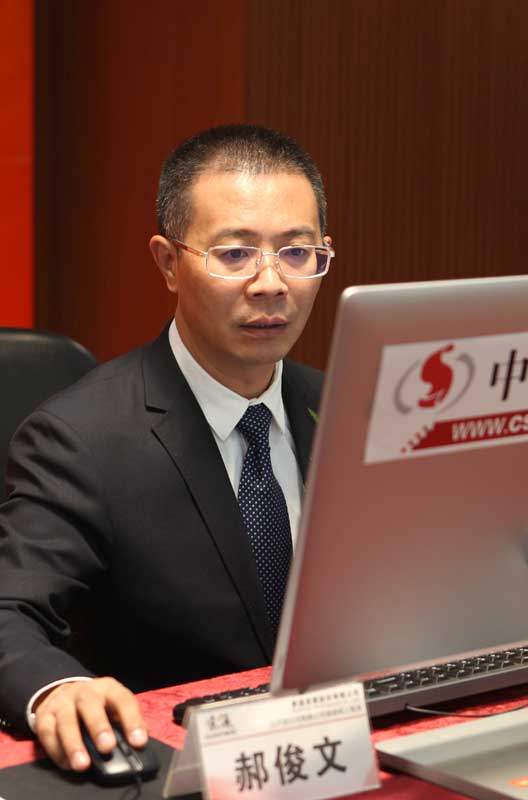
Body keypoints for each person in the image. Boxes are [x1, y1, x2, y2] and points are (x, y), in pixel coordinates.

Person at [0, 124, 333, 772]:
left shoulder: (348, 408)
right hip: (173, 768)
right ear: (169, 263)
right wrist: (57, 689)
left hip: (333, 750)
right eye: (234, 254)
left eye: (298, 253)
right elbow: (9, 608)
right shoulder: (80, 438)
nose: (271, 283)